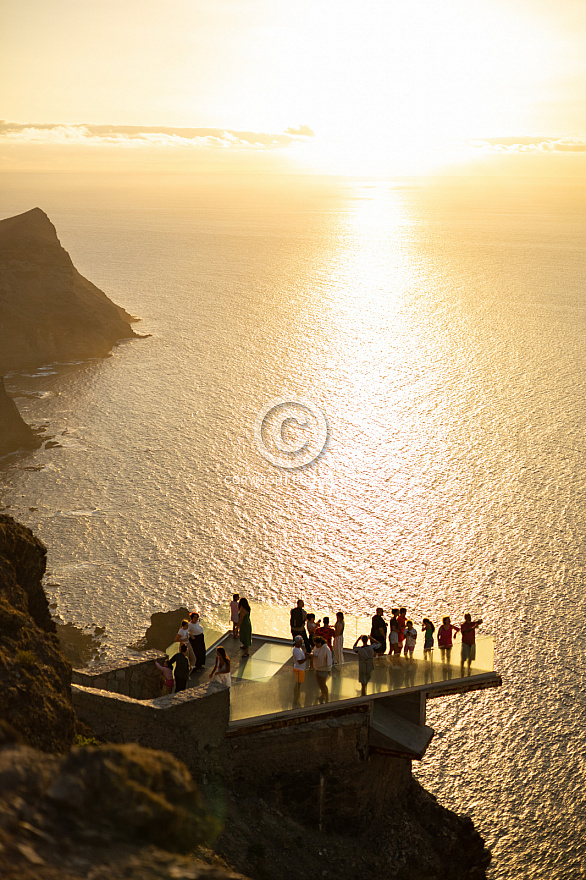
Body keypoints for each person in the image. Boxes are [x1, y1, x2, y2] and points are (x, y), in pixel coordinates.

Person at [311, 636, 332, 703]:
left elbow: (329, 660)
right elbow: (313, 652)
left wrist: (329, 669)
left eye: (317, 644)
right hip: (317, 668)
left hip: (324, 669)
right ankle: (323, 696)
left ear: (320, 643)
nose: (316, 645)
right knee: (320, 684)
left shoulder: (326, 649)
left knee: (323, 684)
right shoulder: (316, 648)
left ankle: (327, 697)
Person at [292, 635, 309, 705]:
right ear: (297, 642)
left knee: (298, 685)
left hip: (300, 669)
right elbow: (300, 661)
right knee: (298, 685)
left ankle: (296, 698)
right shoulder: (297, 651)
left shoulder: (298, 649)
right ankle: (296, 699)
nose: (301, 643)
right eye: (300, 642)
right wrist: (307, 658)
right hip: (299, 670)